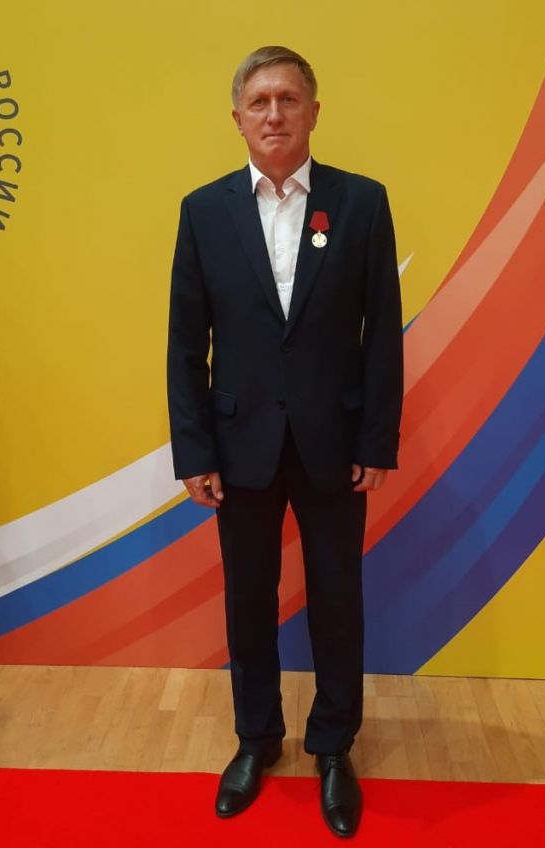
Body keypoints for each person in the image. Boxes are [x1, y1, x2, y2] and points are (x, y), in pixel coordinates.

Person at [167, 45, 403, 838]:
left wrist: (377, 437)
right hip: (240, 446)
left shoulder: (361, 203)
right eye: (260, 101)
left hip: (335, 441)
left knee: (337, 598)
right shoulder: (203, 211)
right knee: (247, 599)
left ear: (314, 112)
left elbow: (382, 335)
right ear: (238, 118)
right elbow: (185, 343)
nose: (274, 114)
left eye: (289, 99)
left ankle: (333, 746)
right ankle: (256, 738)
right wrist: (195, 451)